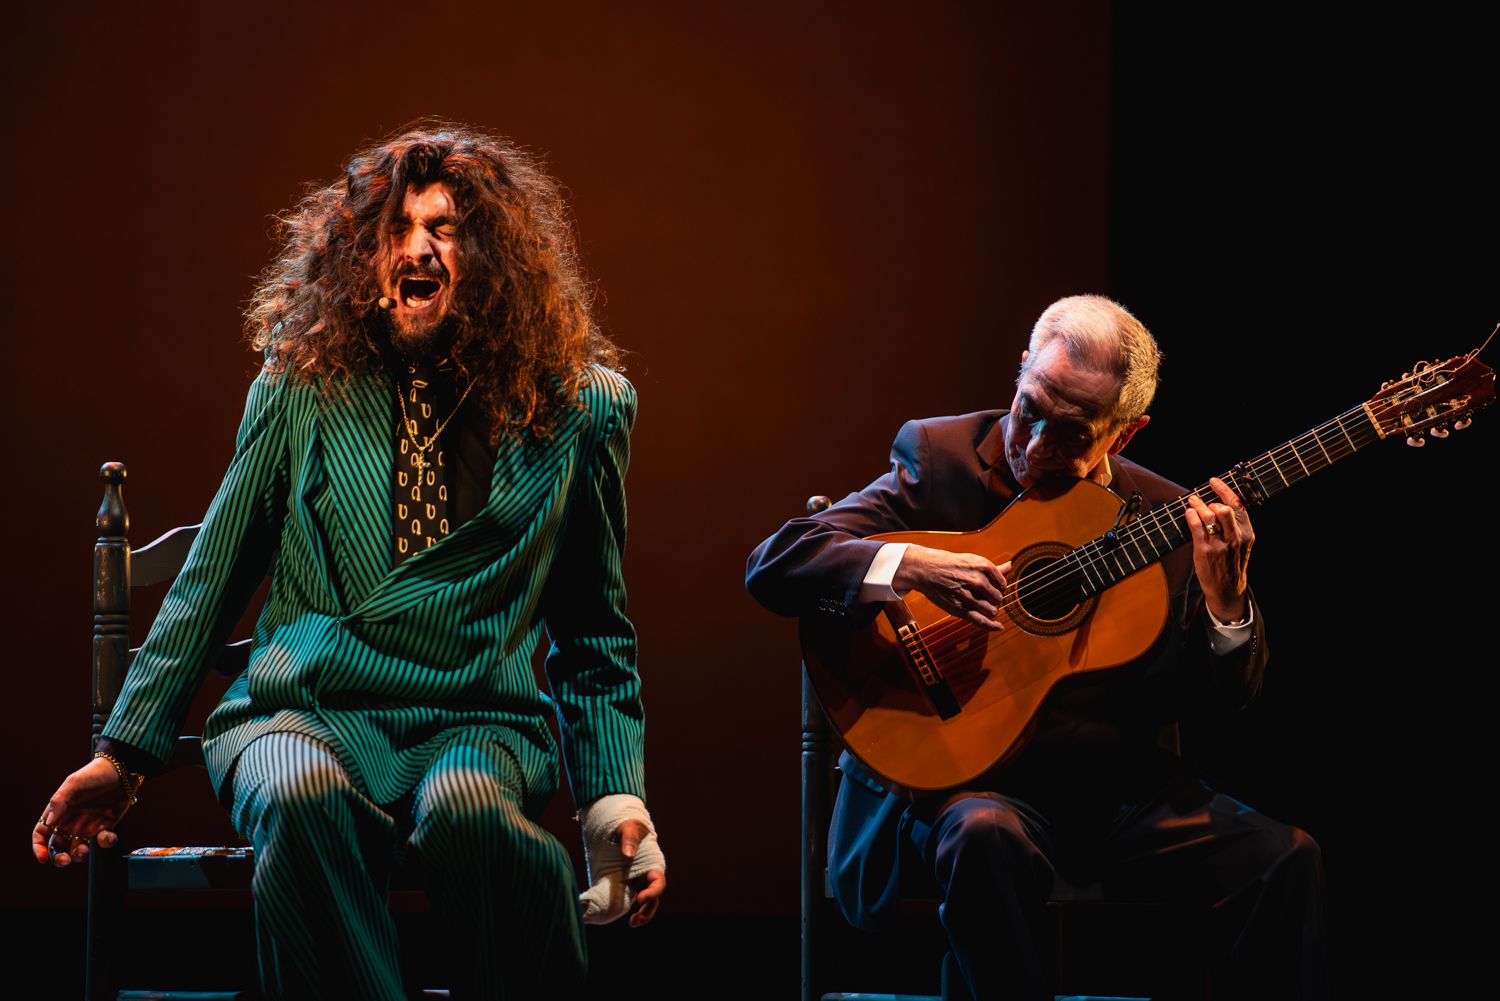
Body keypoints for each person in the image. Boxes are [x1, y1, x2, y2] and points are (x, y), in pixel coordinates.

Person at [34, 123, 665, 1000]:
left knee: (475, 816)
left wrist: (613, 802)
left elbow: (595, 629)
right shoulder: (303, 382)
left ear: (494, 255)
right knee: (298, 798)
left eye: (445, 229)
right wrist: (126, 753)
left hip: (475, 717)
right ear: (361, 257)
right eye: (397, 230)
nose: (418, 249)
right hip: (304, 708)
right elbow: (212, 573)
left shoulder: (580, 409)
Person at [746, 295, 1325, 1000]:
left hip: (1114, 796)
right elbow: (777, 562)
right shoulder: (941, 457)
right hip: (963, 785)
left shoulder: (1167, 519)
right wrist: (906, 563)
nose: (1035, 446)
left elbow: (1225, 702)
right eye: (1030, 409)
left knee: (1285, 858)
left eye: (1073, 431)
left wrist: (1228, 605)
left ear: (1125, 433)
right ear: (1022, 370)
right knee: (985, 833)